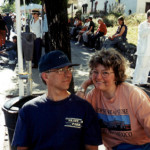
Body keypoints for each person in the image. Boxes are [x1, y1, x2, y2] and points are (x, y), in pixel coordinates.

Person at [12, 50, 102, 150]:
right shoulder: (29, 110)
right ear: (45, 76)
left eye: (69, 69)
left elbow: (92, 148)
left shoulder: (84, 108)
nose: (68, 74)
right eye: (60, 70)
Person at [76, 48, 150, 150]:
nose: (98, 77)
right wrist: (84, 85)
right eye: (95, 72)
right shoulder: (93, 95)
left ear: (117, 75)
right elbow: (76, 115)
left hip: (140, 146)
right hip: (111, 146)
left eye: (105, 73)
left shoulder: (133, 94)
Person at [132, 9, 150, 87]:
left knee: (147, 66)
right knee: (140, 65)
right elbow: (142, 34)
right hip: (143, 49)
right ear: (149, 17)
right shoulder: (142, 25)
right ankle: (135, 81)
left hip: (149, 49)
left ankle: (143, 81)